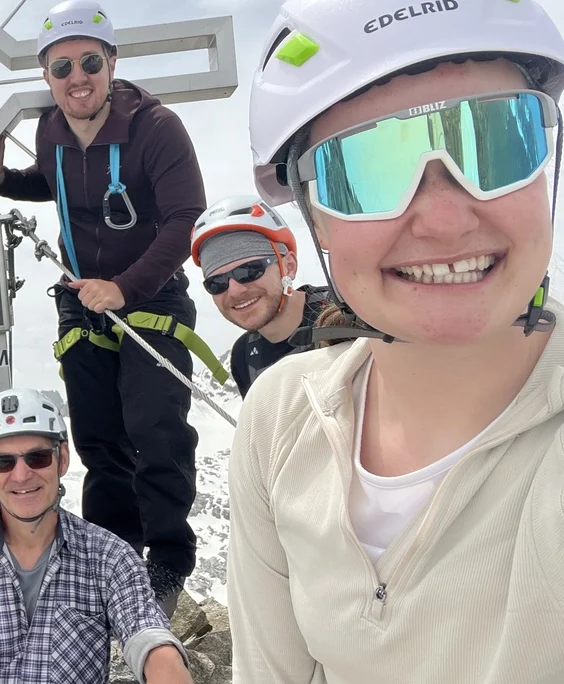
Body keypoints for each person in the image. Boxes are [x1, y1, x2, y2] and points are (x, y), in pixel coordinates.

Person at [229, 0, 564, 682]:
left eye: (495, 142)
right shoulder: (280, 416)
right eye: (370, 170)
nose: (444, 218)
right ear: (315, 219)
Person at [0, 0, 216, 611]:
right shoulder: (52, 129)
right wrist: (2, 178)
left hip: (150, 299)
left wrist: (125, 288)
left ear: (111, 61)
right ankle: (116, 557)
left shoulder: (156, 128)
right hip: (82, 303)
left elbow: (186, 217)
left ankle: (167, 563)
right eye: (60, 67)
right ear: (46, 75)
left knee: (155, 429)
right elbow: (55, 182)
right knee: (100, 438)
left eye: (87, 62)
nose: (76, 78)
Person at [0, 388, 192, 684]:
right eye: (3, 462)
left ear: (62, 458)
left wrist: (167, 667)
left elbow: (149, 638)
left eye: (37, 458)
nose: (21, 475)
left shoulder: (109, 555)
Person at [190, 196, 331, 397]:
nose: (235, 291)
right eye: (217, 283)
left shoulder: (347, 314)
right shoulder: (243, 357)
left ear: (288, 267)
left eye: (249, 270)